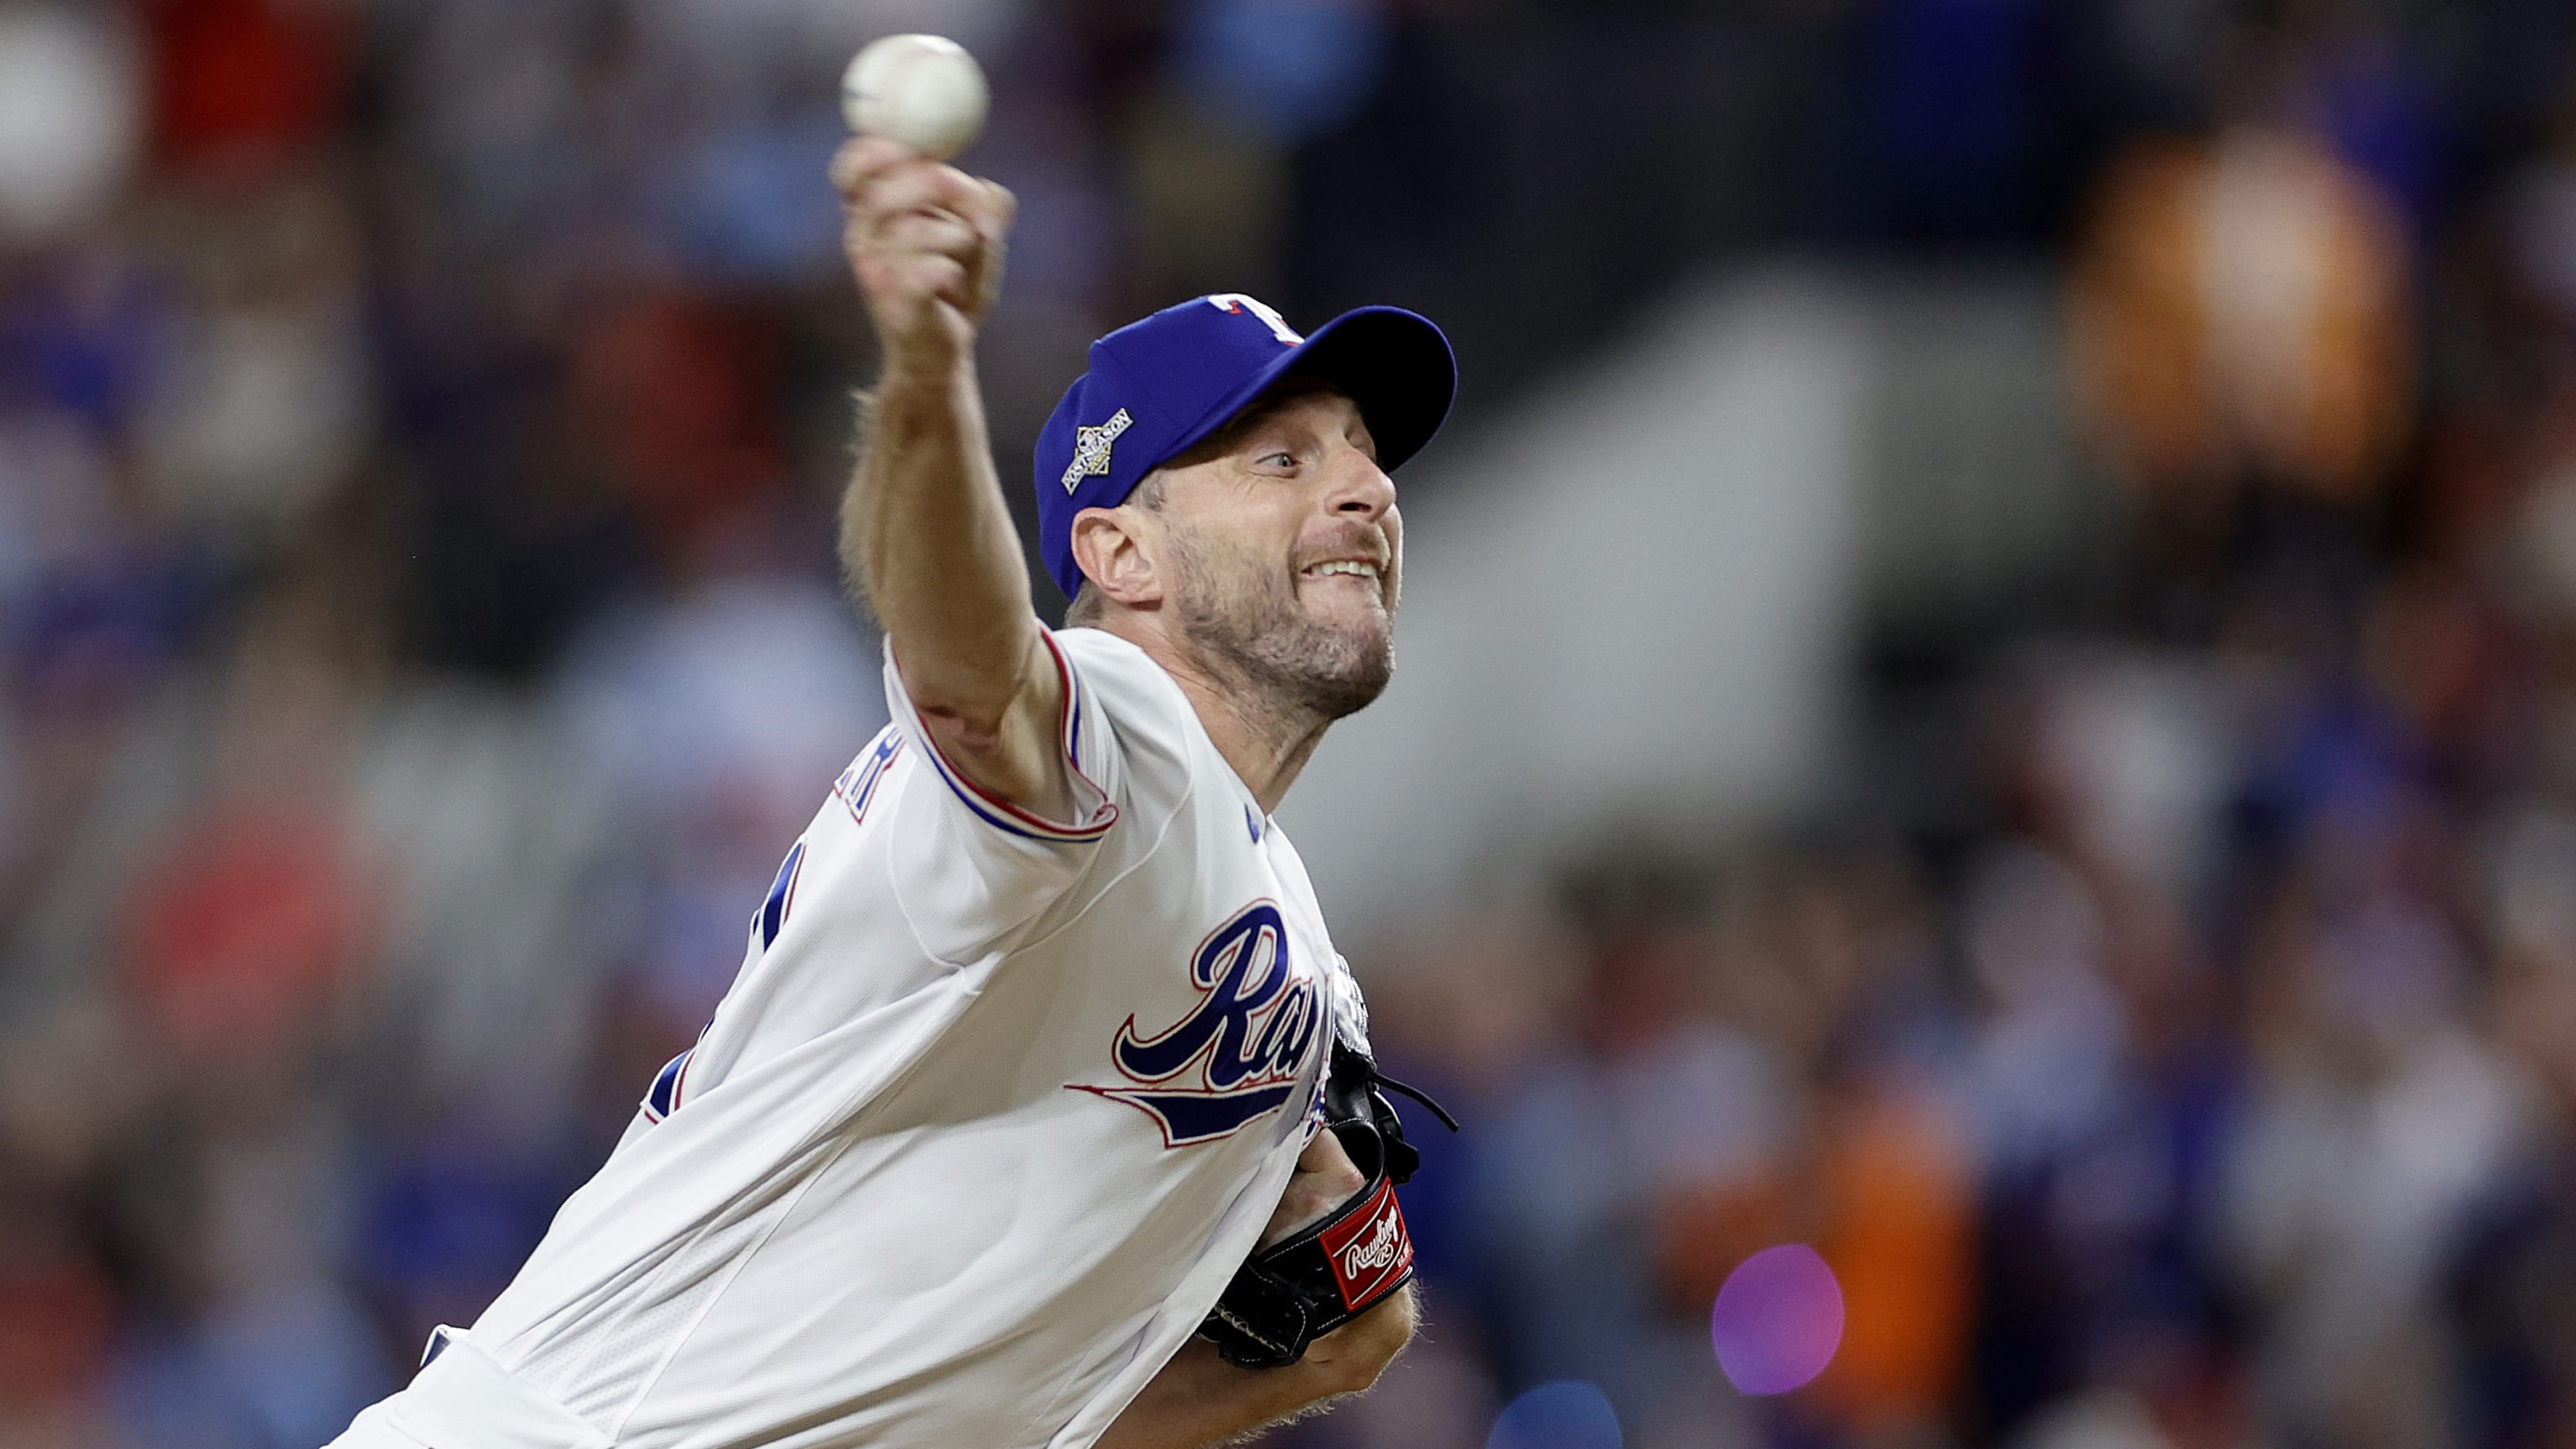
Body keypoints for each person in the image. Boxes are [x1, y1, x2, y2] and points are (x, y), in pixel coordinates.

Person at [322, 133, 1457, 1449]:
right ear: (1120, 551)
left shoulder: (1284, 931)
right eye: (1283, 461)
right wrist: (925, 378)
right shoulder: (1117, 726)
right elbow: (971, 669)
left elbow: (1344, 1331)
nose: (1369, 492)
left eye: (1366, 457)